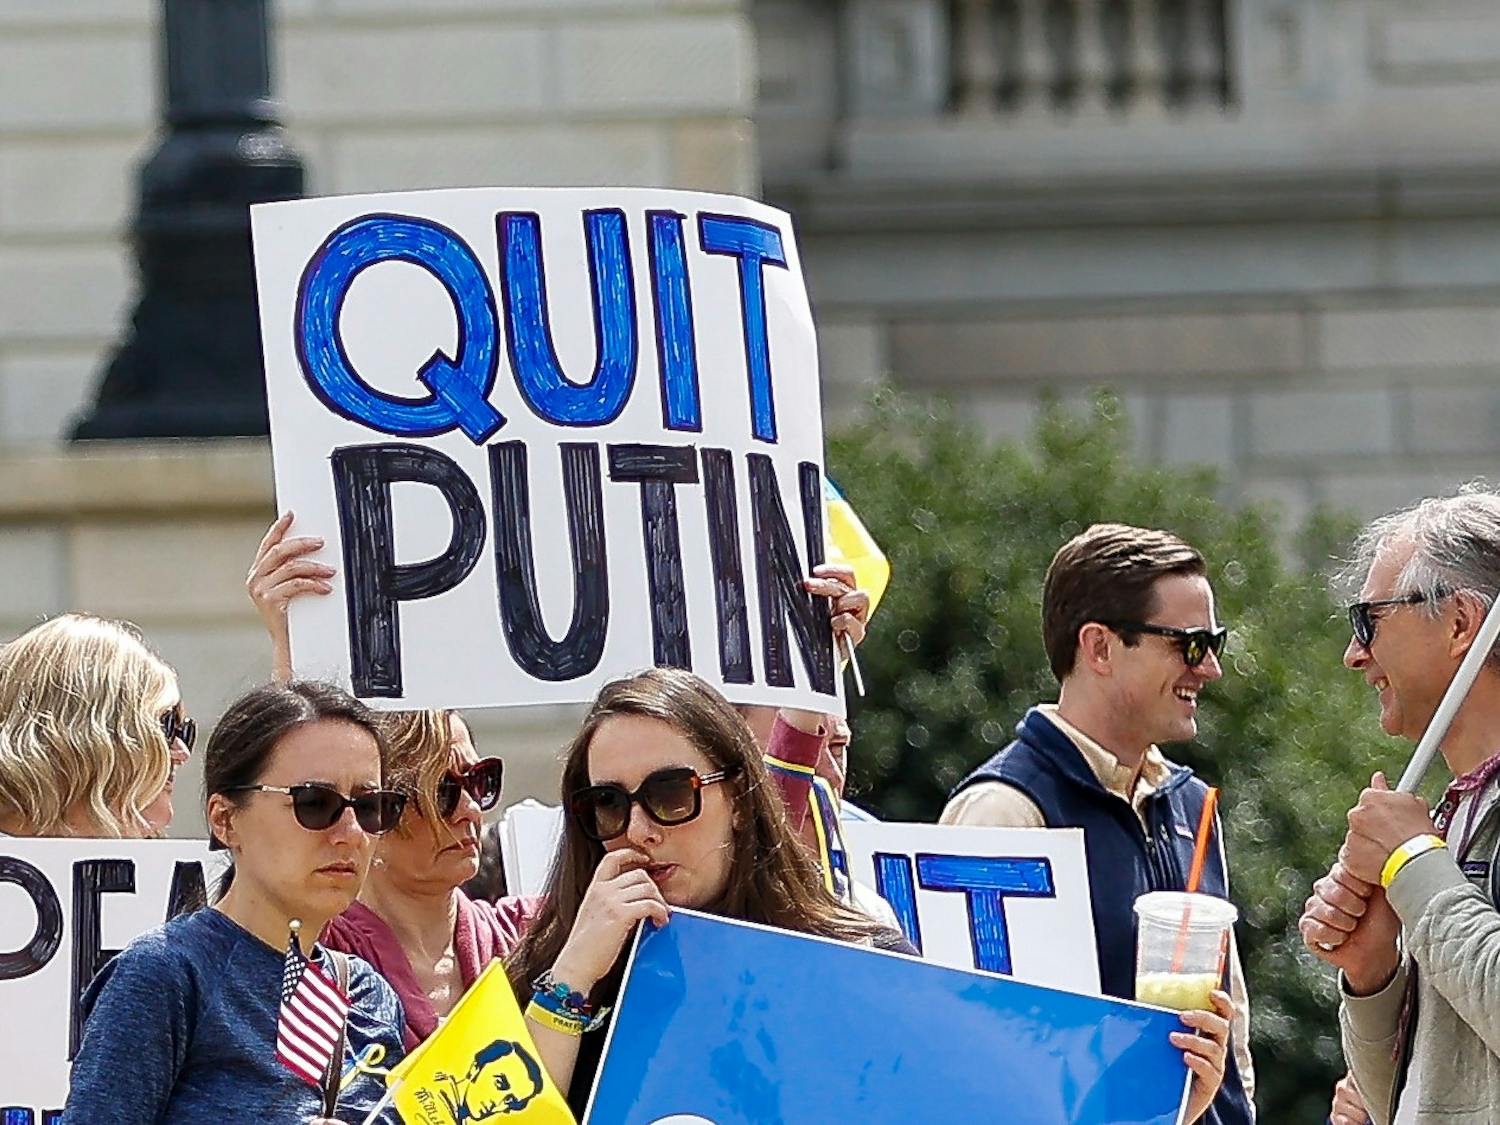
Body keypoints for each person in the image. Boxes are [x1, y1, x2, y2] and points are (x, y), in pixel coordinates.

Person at [939, 523, 1251, 1125]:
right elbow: (983, 1059)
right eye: (1189, 643)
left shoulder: (1190, 805)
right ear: (1100, 647)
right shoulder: (1003, 813)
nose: (1209, 668)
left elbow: (1231, 1037)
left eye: (1215, 641)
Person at [503, 667, 916, 1116]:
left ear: (739, 799)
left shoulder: (865, 961)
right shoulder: (548, 972)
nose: (639, 830)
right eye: (607, 803)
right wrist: (569, 983)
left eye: (671, 794)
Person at [64, 680, 408, 1123]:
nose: (351, 833)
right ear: (225, 820)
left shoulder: (368, 995)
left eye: (371, 806)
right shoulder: (167, 973)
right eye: (314, 802)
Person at [1299, 487, 1500, 1125]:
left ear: (1462, 625)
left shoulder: (1427, 843)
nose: (1355, 654)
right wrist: (1372, 971)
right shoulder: (1451, 819)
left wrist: (1414, 862)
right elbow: (1411, 1101)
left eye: (1370, 621)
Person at [322, 707, 540, 1050]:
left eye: (479, 780)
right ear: (374, 812)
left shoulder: (526, 934)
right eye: (442, 792)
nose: (470, 809)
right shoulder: (318, 954)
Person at [0, 613, 192, 838]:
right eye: (166, 725)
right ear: (76, 733)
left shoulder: (158, 867)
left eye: (186, 731)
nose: (182, 752)